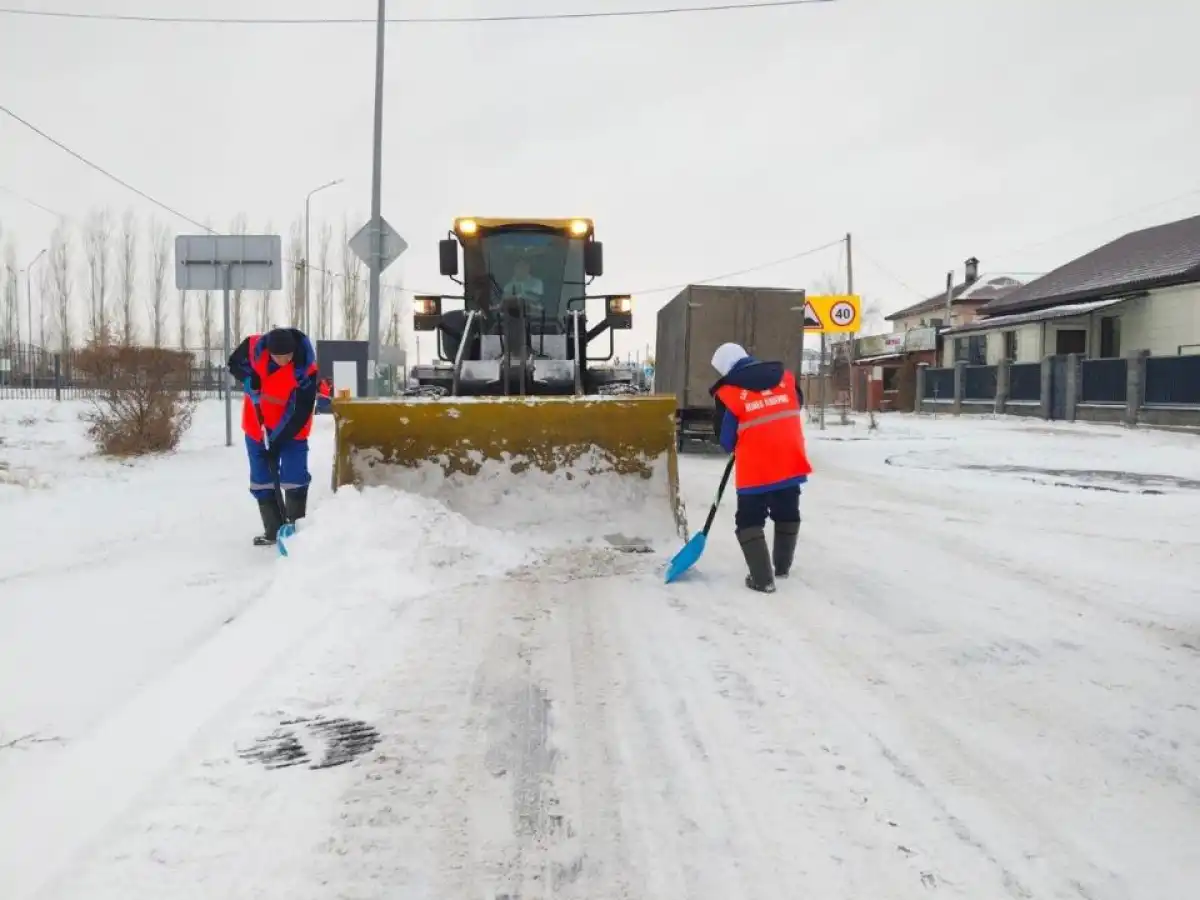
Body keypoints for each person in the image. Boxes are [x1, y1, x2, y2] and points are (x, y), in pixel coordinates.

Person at [709, 341, 812, 593]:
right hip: (790, 459)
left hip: (756, 466)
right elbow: (795, 404)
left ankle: (762, 579)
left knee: (749, 519)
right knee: (787, 509)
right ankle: (782, 567)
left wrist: (743, 435)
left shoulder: (729, 392)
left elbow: (724, 439)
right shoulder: (785, 378)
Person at [227, 327, 319, 546]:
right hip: (256, 428)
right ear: (269, 351)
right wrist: (248, 378)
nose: (283, 360)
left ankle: (295, 528)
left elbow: (300, 411)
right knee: (262, 480)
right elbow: (234, 364)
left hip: (292, 431)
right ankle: (273, 530)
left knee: (294, 477)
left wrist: (277, 439)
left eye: (287, 356)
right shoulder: (253, 347)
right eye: (278, 356)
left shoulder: (305, 369)